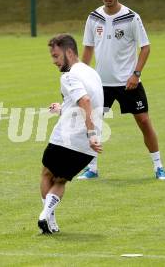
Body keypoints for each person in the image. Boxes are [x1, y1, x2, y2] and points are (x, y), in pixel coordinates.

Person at [79, 0, 165, 180]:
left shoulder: (131, 17)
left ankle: (158, 166)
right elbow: (88, 48)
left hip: (128, 82)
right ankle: (92, 168)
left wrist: (136, 74)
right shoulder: (93, 17)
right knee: (93, 122)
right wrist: (82, 74)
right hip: (101, 83)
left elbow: (145, 47)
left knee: (144, 121)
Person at [38, 34, 104, 234]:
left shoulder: (68, 76)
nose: (54, 61)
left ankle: (46, 215)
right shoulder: (92, 72)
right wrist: (62, 108)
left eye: (56, 56)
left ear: (68, 52)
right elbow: (89, 101)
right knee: (61, 180)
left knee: (47, 174)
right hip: (87, 147)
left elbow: (84, 101)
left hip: (66, 138)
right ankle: (49, 220)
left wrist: (90, 132)